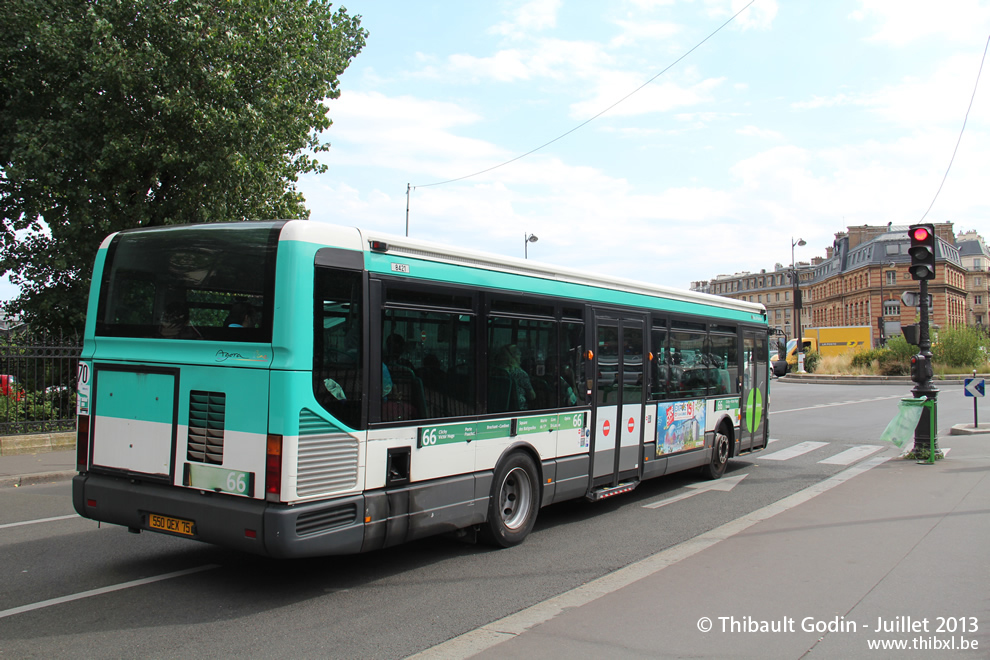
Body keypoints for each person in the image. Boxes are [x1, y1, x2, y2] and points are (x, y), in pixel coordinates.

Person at [494, 344, 536, 410]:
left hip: (499, 408)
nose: (520, 356)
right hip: (519, 409)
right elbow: (532, 396)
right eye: (518, 354)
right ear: (512, 357)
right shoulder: (520, 373)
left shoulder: (496, 371)